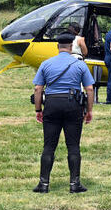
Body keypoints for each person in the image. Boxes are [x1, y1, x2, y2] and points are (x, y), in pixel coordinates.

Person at [32, 32, 95, 194]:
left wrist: (38, 109)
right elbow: (89, 88)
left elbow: (38, 88)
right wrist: (89, 110)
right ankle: (75, 184)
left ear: (57, 46)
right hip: (73, 105)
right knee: (73, 146)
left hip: (52, 104)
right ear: (71, 46)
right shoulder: (80, 65)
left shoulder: (46, 64)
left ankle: (43, 184)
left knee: (49, 146)